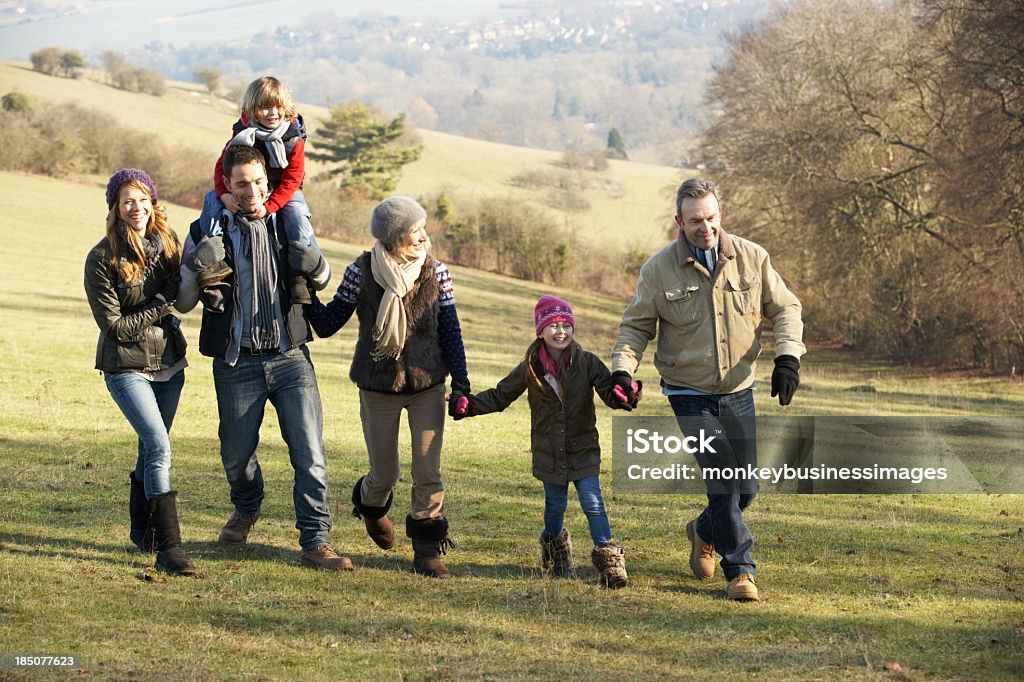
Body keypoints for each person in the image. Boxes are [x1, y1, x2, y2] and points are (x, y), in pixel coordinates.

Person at [611, 177, 805, 601]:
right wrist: (622, 372)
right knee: (723, 474)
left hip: (739, 389)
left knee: (746, 486)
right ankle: (740, 571)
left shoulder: (752, 257)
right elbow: (635, 327)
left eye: (712, 217)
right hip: (688, 391)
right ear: (679, 221)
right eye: (696, 220)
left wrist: (788, 356)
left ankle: (702, 530)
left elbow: (786, 307)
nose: (706, 227)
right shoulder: (658, 269)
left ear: (721, 215)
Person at [175, 144, 351, 571]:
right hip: (237, 363)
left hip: (290, 357)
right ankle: (247, 505)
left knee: (309, 453)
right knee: (235, 456)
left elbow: (323, 277)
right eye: (241, 184)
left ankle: (316, 542)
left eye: (258, 181)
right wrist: (199, 265)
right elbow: (182, 302)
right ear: (227, 188)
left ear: (267, 181)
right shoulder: (205, 230)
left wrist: (313, 260)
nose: (251, 191)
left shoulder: (289, 223)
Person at [305, 196, 470, 578]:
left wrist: (460, 382)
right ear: (395, 237)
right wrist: (303, 294)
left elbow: (451, 330)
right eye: (415, 230)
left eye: (423, 228)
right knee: (385, 472)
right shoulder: (361, 272)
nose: (423, 236)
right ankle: (372, 507)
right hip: (377, 384)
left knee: (428, 470)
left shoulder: (436, 272)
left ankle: (426, 551)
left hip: (427, 383)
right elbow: (329, 323)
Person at [454, 296, 636, 588]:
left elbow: (609, 391)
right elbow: (501, 395)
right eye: (553, 325)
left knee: (593, 504)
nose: (561, 331)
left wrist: (624, 394)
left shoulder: (587, 362)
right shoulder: (530, 367)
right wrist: (469, 405)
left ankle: (611, 562)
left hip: (583, 449)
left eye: (566, 324)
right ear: (540, 330)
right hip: (548, 451)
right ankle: (556, 555)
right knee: (555, 506)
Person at [84, 168, 196, 576]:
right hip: (125, 365)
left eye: (143, 199)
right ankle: (170, 549)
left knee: (151, 448)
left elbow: (186, 292)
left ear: (153, 203)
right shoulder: (101, 258)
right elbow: (114, 328)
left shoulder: (168, 243)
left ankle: (142, 528)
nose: (137, 207)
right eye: (127, 200)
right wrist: (163, 300)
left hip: (169, 362)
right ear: (115, 206)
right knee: (158, 445)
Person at [198, 76, 316, 303]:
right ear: (252, 109)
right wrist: (224, 194)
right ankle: (213, 260)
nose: (273, 113)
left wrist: (270, 206)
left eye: (278, 106)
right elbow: (221, 166)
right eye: (265, 107)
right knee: (211, 200)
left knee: (298, 214)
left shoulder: (293, 138)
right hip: (246, 187)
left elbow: (293, 178)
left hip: (283, 191)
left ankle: (298, 274)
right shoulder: (242, 133)